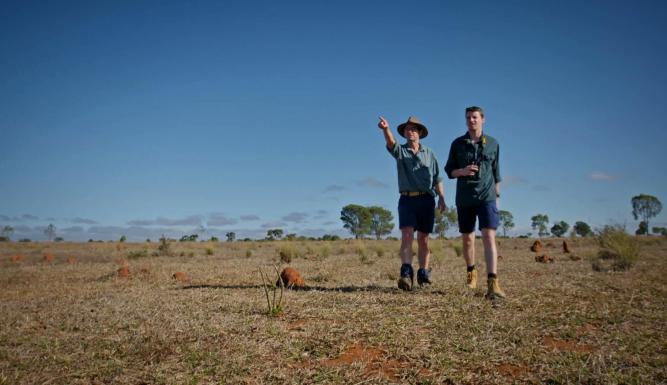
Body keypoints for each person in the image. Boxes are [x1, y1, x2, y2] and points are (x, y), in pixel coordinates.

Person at [378, 116, 446, 291]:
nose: (410, 131)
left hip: (427, 199)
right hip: (407, 199)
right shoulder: (400, 151)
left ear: (420, 133)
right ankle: (406, 273)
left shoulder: (429, 153)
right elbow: (391, 143)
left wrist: (442, 198)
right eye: (408, 129)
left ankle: (423, 273)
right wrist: (386, 129)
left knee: (423, 239)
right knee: (407, 236)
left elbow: (438, 177)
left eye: (414, 129)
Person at [444, 106, 506, 299]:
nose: (472, 120)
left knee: (489, 237)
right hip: (465, 198)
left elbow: (497, 174)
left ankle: (493, 282)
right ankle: (471, 271)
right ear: (465, 120)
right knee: (468, 238)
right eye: (469, 117)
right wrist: (461, 171)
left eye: (475, 117)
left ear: (483, 119)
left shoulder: (493, 144)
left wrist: (496, 198)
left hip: (487, 197)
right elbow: (449, 171)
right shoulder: (457, 144)